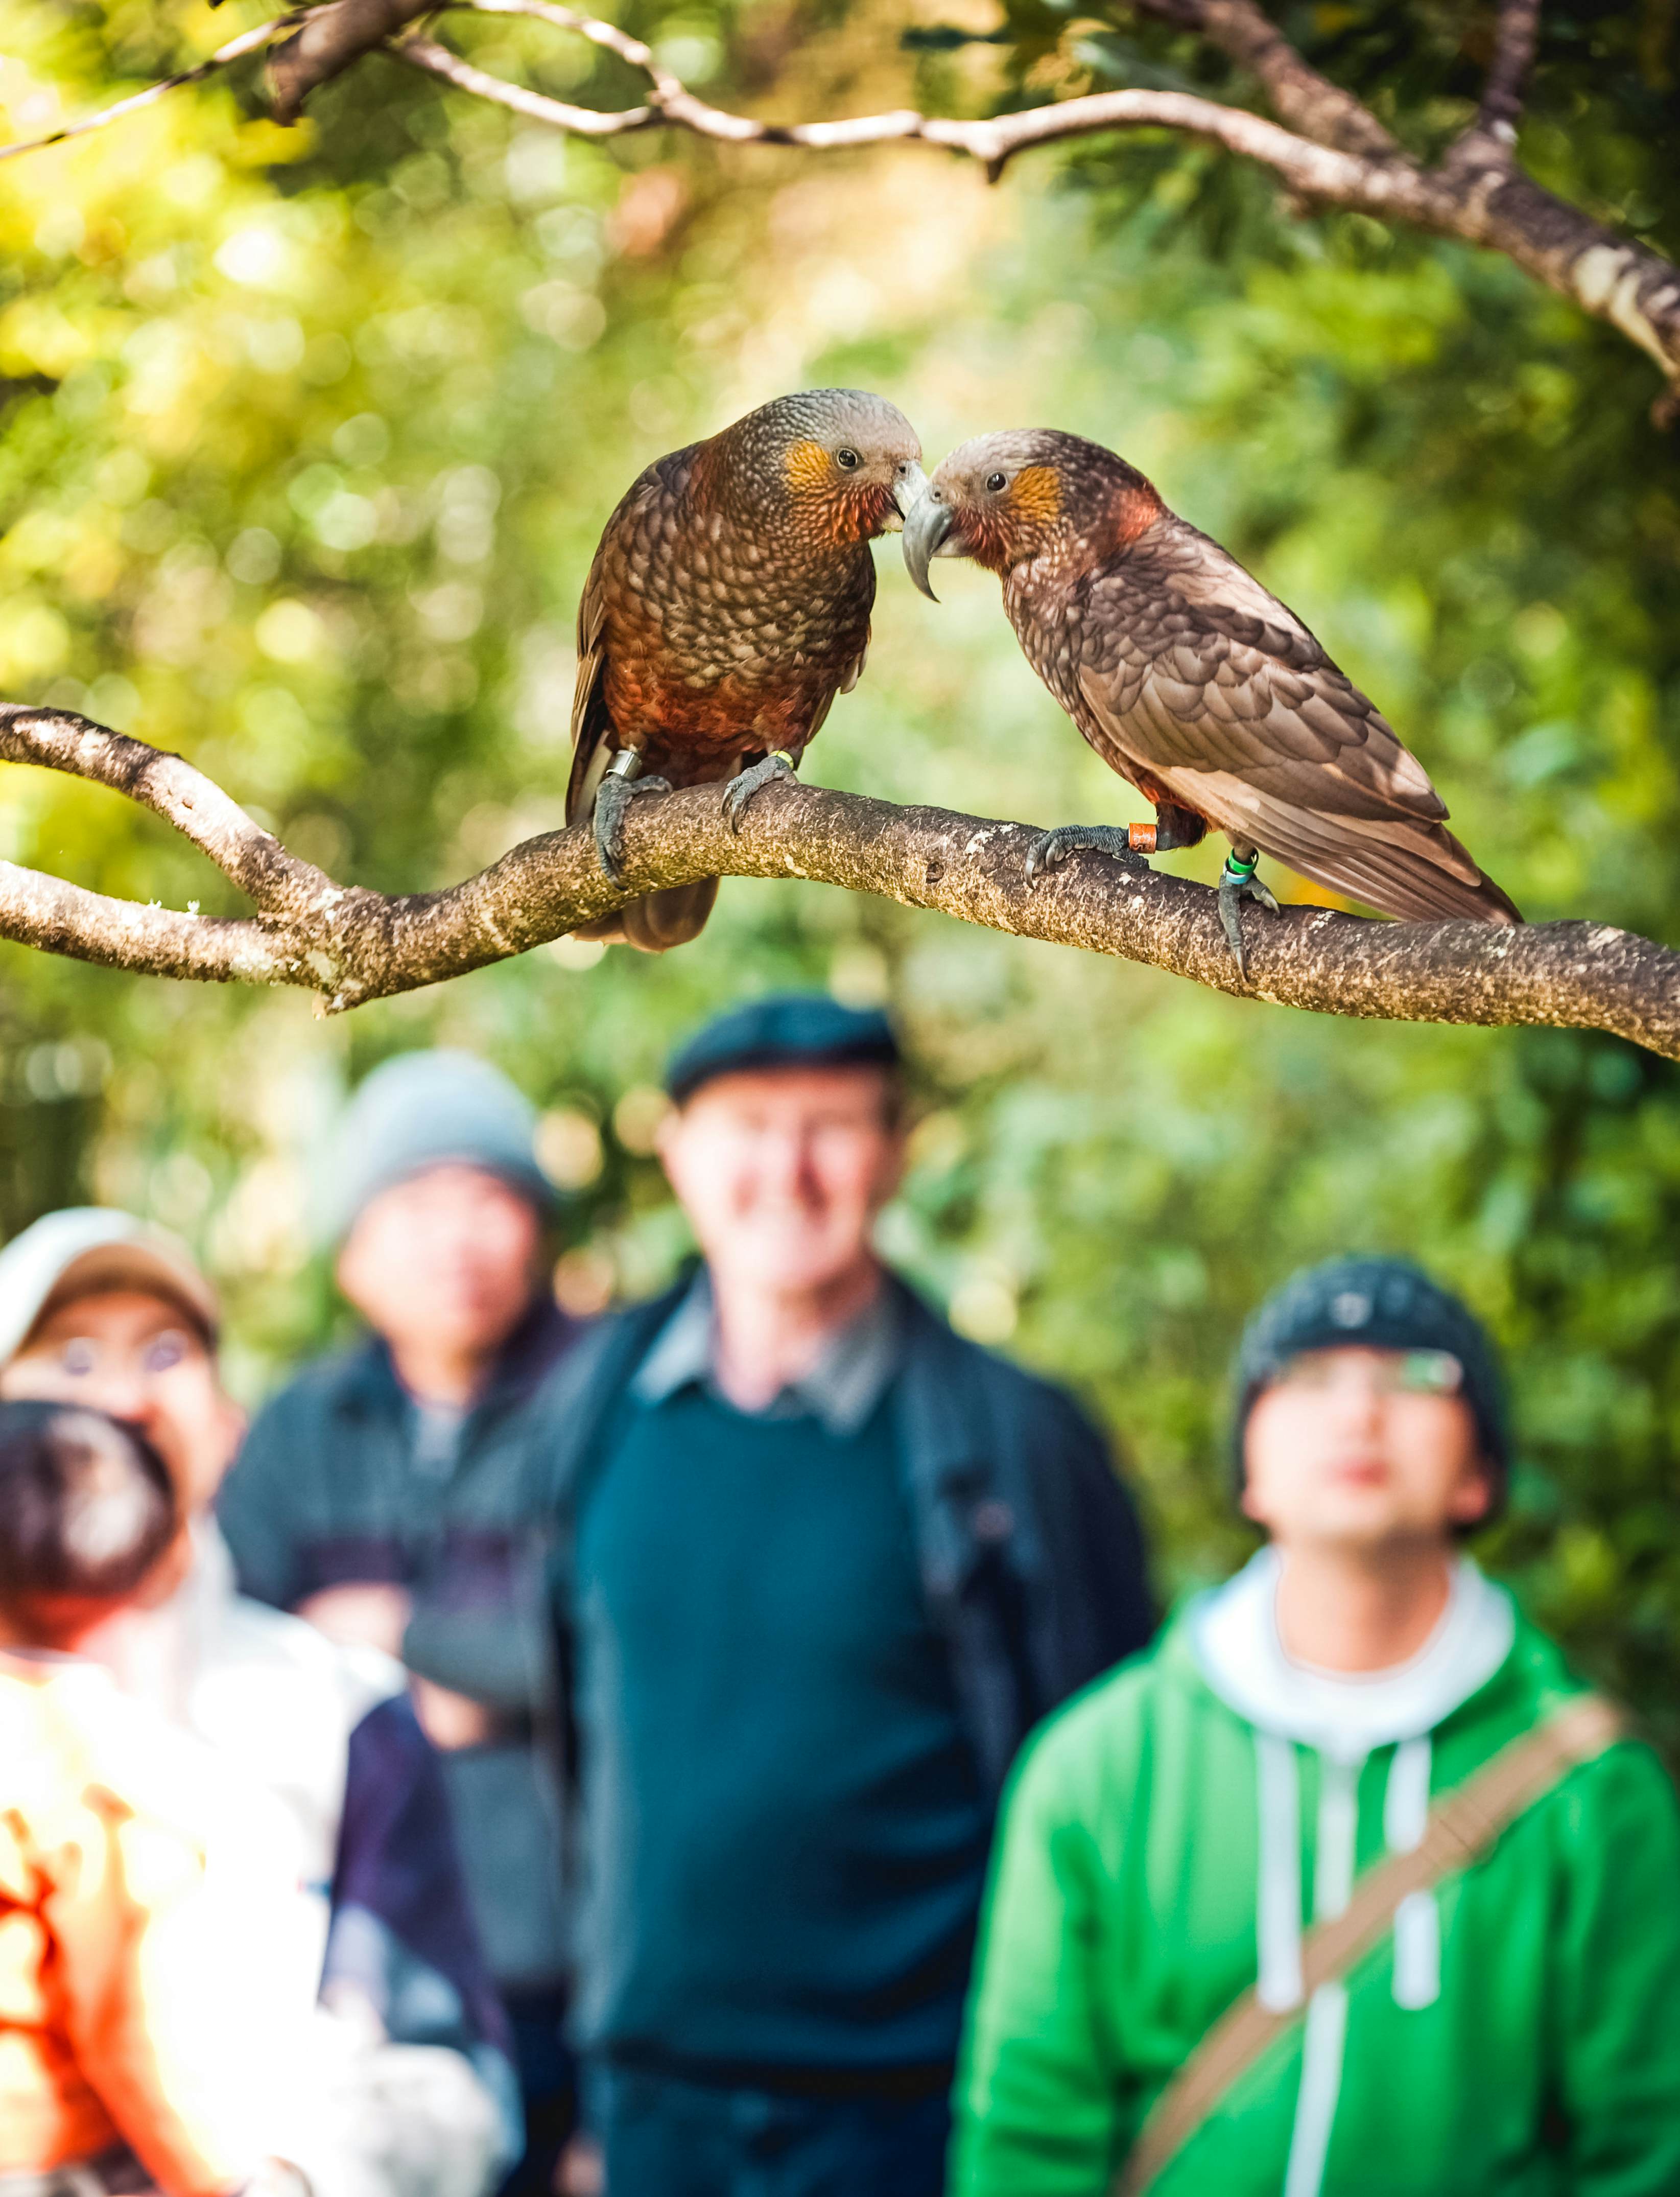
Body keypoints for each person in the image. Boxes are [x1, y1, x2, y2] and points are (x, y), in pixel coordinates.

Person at [534, 993, 1155, 2197]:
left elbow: (1104, 1781)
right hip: (655, 2108)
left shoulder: (1017, 1442)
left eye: (829, 1125)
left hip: (924, 2111)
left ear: (896, 1148)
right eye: (749, 1126)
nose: (787, 1168)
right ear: (677, 1151)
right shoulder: (593, 1409)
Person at [952, 1256, 1680, 2197]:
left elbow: (1644, 2148)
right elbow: (1025, 2141)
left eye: (1416, 1378)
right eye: (1305, 1376)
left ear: (1480, 1476)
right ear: (1249, 1473)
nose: (1355, 1414)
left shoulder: (1590, 1791)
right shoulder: (1101, 1767)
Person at [0, 1207, 515, 2197]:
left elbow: (451, 2093)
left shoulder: (338, 1713)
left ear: (229, 1421)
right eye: (67, 1353)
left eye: (164, 1349)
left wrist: (284, 2175)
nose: (118, 1392)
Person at [218, 1051, 581, 2193]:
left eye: (487, 1196)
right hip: (362, 1977)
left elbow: (618, 1641)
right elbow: (232, 1663)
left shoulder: (609, 1400)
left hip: (568, 1971)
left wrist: (400, 1635)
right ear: (354, 1245)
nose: (455, 1238)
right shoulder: (299, 1429)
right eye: (415, 1203)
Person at [0, 1397, 311, 2197]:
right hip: (37, 2154)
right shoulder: (102, 1776)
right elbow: (140, 2028)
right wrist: (235, 2181)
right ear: (147, 1574)